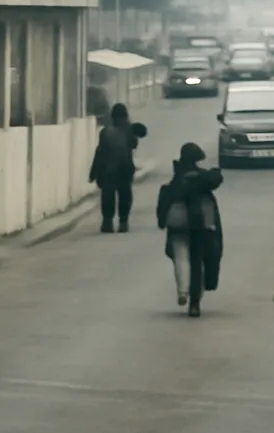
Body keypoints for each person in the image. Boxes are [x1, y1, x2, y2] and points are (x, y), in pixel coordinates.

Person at [155, 143, 224, 317]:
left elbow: (165, 202)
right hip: (201, 226)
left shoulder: (176, 179)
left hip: (178, 226)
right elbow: (216, 179)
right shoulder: (203, 178)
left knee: (181, 258)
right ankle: (195, 303)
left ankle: (182, 292)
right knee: (197, 261)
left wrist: (162, 221)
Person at [89, 102, 148, 233]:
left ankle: (107, 222)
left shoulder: (105, 131)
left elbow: (100, 153)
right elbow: (133, 145)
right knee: (125, 196)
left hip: (107, 170)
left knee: (107, 196)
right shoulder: (129, 130)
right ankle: (123, 222)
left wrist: (93, 173)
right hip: (125, 168)